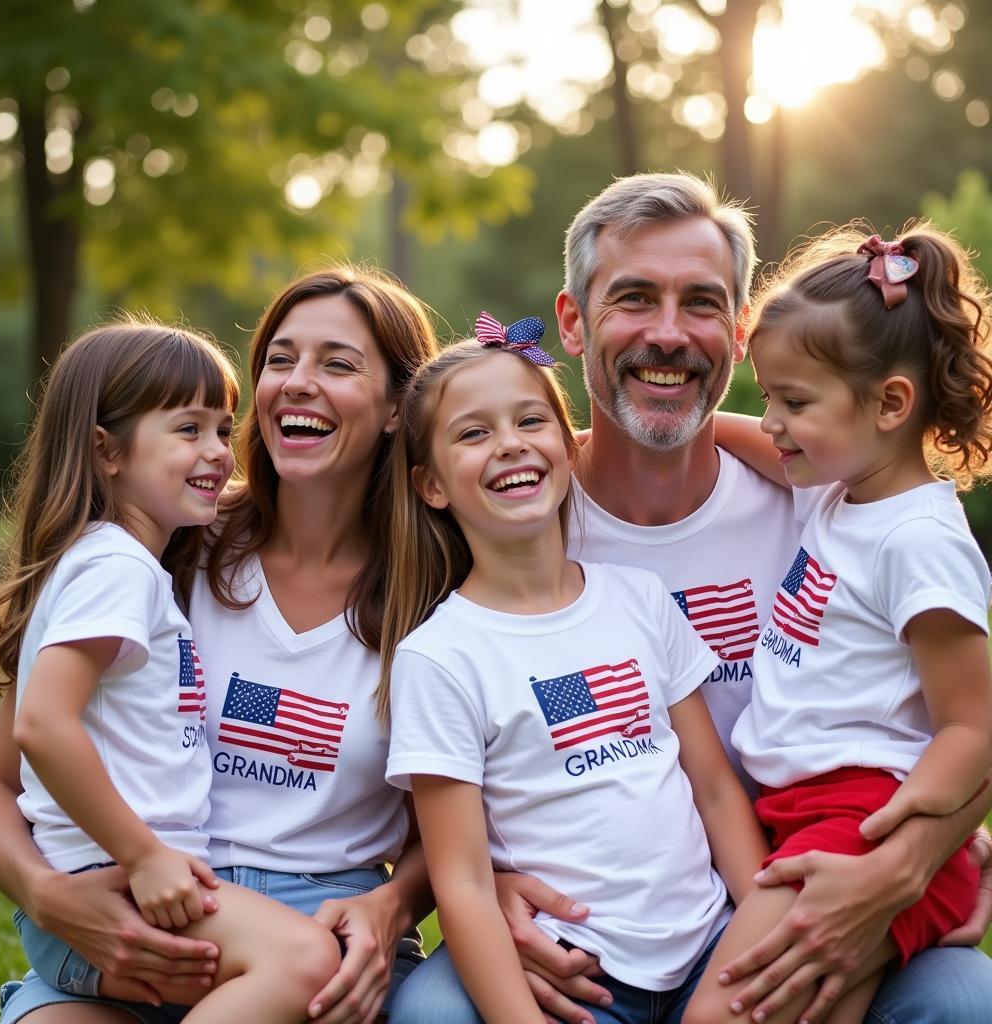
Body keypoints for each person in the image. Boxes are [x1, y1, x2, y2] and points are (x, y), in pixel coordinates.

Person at [389, 175, 992, 1024]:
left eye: (701, 304)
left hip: (794, 869)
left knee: (967, 999)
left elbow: (967, 714)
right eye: (634, 298)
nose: (668, 334)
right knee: (433, 1014)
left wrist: (920, 856)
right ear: (571, 321)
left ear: (740, 333)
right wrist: (483, 885)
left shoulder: (826, 495)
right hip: (592, 919)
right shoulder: (513, 513)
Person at [0, 267, 440, 1024]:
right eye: (280, 360)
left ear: (397, 407)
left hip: (311, 933)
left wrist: (389, 908)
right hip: (140, 913)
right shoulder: (169, 542)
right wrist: (46, 894)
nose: (297, 383)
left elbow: (448, 829)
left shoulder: (434, 588)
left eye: (338, 363)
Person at [379, 325, 768, 1024]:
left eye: (532, 421)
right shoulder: (439, 658)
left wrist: (762, 928)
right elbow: (463, 880)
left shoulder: (638, 597)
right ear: (431, 485)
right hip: (577, 979)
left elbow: (712, 788)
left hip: (711, 945)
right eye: (473, 435)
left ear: (568, 444)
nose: (510, 444)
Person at [682, 224, 992, 1024]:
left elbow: (973, 724)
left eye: (795, 401)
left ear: (890, 402)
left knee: (721, 1014)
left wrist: (903, 842)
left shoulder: (917, 541)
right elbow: (727, 434)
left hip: (863, 823)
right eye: (769, 396)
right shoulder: (834, 486)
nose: (773, 422)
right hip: (803, 814)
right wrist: (581, 443)